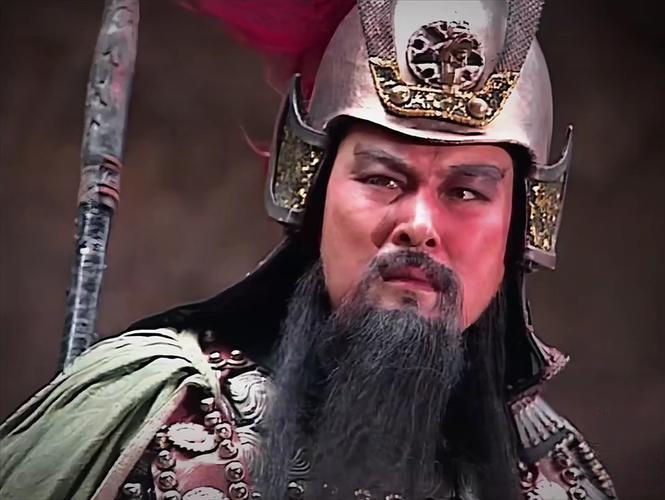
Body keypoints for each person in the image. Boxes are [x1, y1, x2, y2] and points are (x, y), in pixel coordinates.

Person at [0, 1, 618, 499]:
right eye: (382, 179)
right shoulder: (154, 414)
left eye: (465, 192)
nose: (419, 226)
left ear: (523, 226)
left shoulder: (559, 478)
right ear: (312, 192)